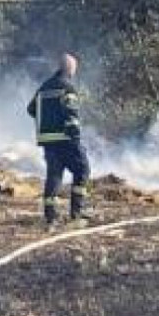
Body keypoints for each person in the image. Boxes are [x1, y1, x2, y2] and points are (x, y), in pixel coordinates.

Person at [27, 53, 90, 225]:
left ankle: (51, 217)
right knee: (82, 170)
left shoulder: (44, 87)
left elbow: (31, 109)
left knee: (54, 175)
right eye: (74, 68)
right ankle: (77, 213)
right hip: (66, 139)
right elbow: (72, 116)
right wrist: (76, 139)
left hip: (48, 141)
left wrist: (48, 119)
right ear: (70, 68)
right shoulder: (67, 87)